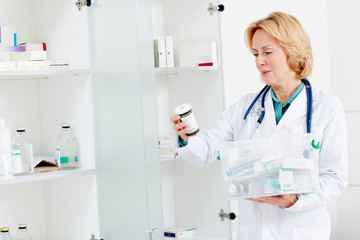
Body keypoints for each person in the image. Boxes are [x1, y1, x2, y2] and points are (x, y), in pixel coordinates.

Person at [170, 12, 348, 239]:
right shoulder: (245, 108)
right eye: (255, 53)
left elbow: (335, 177)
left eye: (267, 52)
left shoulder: (327, 108)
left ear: (292, 50)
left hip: (300, 228)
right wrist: (188, 136)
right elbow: (207, 152)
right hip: (254, 230)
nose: (259, 61)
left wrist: (295, 200)